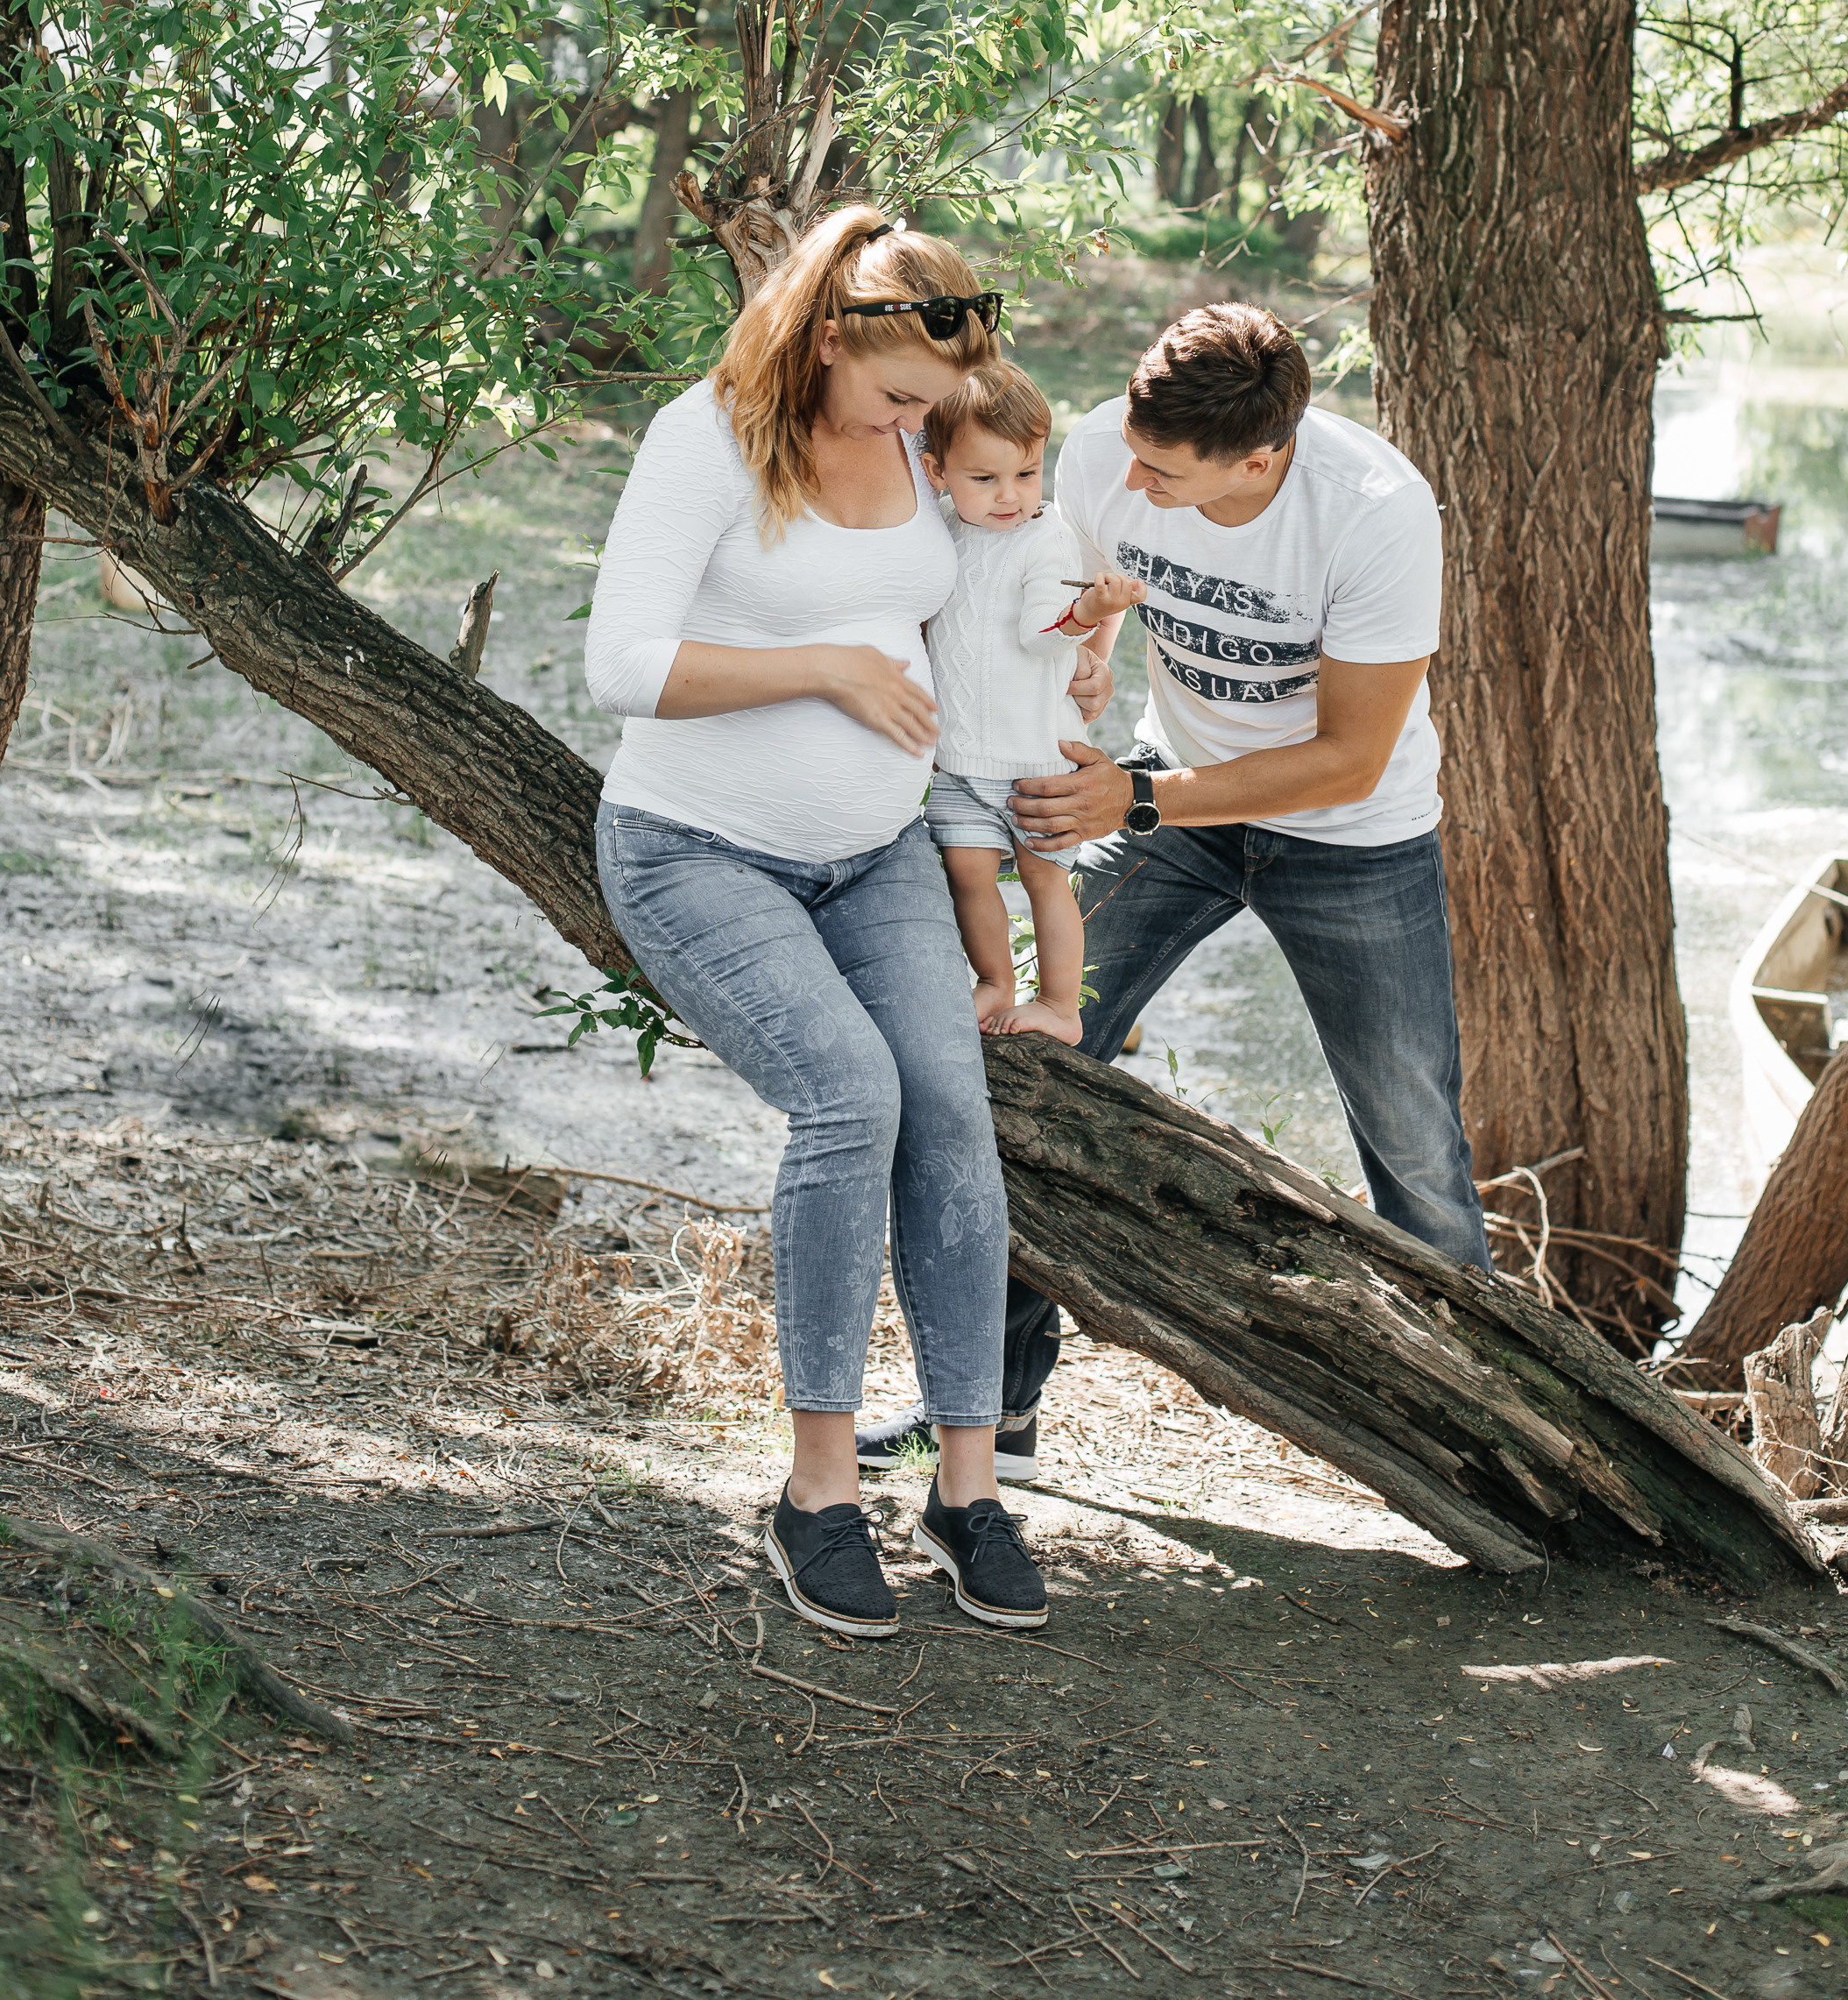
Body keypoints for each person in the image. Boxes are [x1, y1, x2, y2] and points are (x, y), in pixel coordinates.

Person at [857, 300, 1490, 1486]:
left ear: (1259, 459)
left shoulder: (1375, 512)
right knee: (1017, 1075)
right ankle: (989, 1412)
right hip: (1165, 799)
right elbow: (1063, 592)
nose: (1131, 483)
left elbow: (1350, 758)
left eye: (1164, 473)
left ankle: (1487, 1454)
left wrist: (1135, 800)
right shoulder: (1108, 447)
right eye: (1133, 458)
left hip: (1347, 837)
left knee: (1414, 1148)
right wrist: (1084, 668)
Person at [585, 204, 1050, 1635]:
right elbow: (623, 663)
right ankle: (819, 1493)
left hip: (878, 854)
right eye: (900, 396)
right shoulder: (707, 441)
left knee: (951, 1114)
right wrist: (827, 670)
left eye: (933, 403)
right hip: (696, 851)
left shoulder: (921, 431)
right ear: (828, 338)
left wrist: (1067, 668)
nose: (920, 424)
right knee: (852, 1098)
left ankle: (968, 1488)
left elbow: (971, 586)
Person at [918, 360, 1087, 1045]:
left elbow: (1041, 634)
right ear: (937, 472)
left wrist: (1083, 617)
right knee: (967, 872)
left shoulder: (1047, 537)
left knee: (1046, 879)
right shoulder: (935, 528)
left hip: (1037, 757)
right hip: (958, 755)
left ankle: (1060, 1004)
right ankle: (994, 981)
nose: (1010, 495)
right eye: (984, 479)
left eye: (1026, 472)